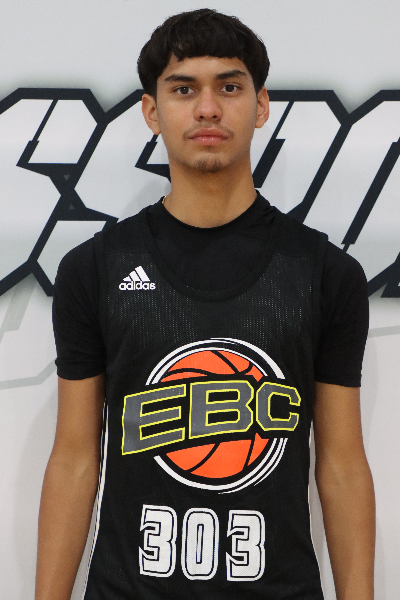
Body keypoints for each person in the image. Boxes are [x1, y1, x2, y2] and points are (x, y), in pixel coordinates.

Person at [35, 8, 375, 600]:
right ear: (152, 111)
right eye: (184, 88)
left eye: (230, 87)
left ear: (261, 105)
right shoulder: (94, 269)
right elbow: (74, 459)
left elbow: (342, 466)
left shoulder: (326, 274)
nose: (208, 109)